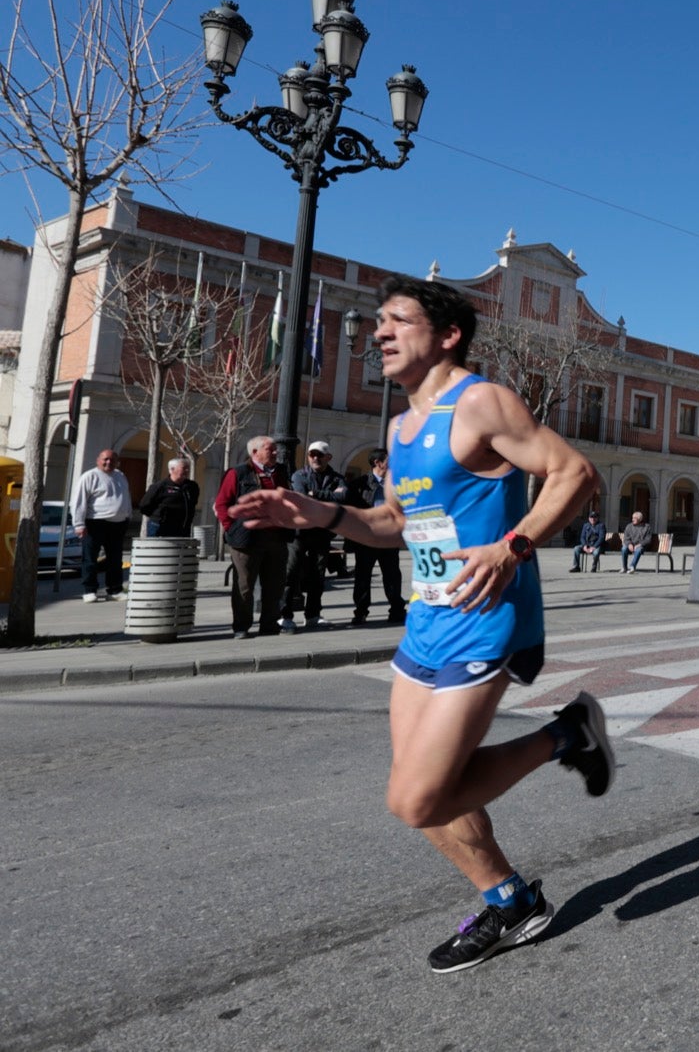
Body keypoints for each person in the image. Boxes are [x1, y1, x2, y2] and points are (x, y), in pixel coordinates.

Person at [229, 274, 612, 974]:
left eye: (397, 320)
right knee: (429, 790)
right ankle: (510, 899)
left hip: (482, 618)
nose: (380, 332)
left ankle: (570, 732)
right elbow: (394, 524)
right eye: (379, 321)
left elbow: (573, 472)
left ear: (446, 334)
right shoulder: (401, 428)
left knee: (415, 796)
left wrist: (513, 544)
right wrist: (317, 515)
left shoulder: (481, 402)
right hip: (425, 621)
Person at [214, 435, 293, 638]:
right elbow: (222, 504)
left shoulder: (281, 473)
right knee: (244, 586)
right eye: (270, 449)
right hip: (246, 539)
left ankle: (269, 625)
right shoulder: (238, 473)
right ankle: (241, 627)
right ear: (255, 452)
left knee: (275, 586)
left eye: (275, 449)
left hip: (276, 537)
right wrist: (231, 528)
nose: (276, 453)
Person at [285, 440, 349, 630]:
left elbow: (343, 497)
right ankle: (285, 615)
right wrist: (327, 496)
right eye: (312, 454)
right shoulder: (299, 475)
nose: (315, 458)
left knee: (317, 575)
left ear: (328, 457)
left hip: (322, 533)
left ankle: (312, 615)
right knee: (291, 573)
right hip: (299, 533)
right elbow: (302, 498)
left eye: (319, 455)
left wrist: (315, 493)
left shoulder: (337, 478)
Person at [348, 449, 407, 627]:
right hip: (367, 537)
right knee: (363, 577)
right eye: (389, 460)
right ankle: (361, 611)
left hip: (389, 537)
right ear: (378, 463)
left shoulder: (396, 483)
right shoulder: (361, 483)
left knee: (392, 576)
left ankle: (397, 610)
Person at [71, 448, 132, 602]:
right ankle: (90, 591)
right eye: (105, 459)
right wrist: (79, 524)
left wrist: (127, 516)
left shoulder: (121, 476)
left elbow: (126, 497)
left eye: (112, 460)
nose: (108, 462)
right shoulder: (89, 476)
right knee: (90, 558)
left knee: (115, 559)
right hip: (95, 522)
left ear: (117, 462)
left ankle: (115, 590)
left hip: (118, 524)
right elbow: (78, 502)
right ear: (98, 460)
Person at [138, 457, 201, 538]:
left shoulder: (192, 487)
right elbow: (143, 506)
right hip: (160, 528)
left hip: (183, 529)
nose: (187, 471)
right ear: (172, 469)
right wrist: (159, 516)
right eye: (184, 468)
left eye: (188, 468)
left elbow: (193, 503)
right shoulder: (160, 486)